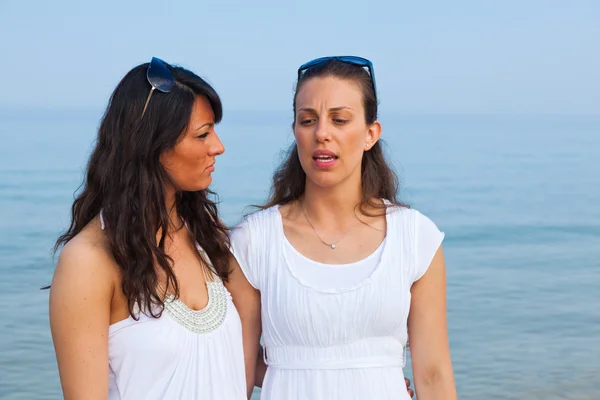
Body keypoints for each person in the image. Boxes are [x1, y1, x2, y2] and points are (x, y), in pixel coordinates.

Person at [227, 56, 457, 399]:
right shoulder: (253, 242)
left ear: (370, 134)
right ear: (295, 132)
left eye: (340, 120)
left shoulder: (415, 238)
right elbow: (237, 374)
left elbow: (434, 375)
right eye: (308, 120)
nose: (322, 133)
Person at [48, 57, 247, 399]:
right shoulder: (87, 262)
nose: (218, 146)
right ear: (151, 146)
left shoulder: (208, 236)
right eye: (203, 134)